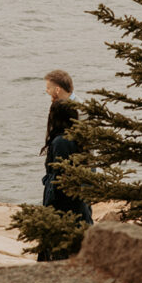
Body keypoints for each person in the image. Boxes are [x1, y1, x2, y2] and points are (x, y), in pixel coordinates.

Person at [41, 99, 93, 232]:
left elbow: (60, 177)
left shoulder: (61, 142)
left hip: (65, 208)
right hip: (78, 203)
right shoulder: (77, 138)